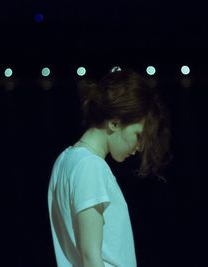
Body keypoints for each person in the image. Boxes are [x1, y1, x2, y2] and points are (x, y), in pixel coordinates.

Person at [47, 67, 173, 267]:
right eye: (138, 135)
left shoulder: (65, 160)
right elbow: (91, 257)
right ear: (114, 123)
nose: (139, 147)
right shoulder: (90, 166)